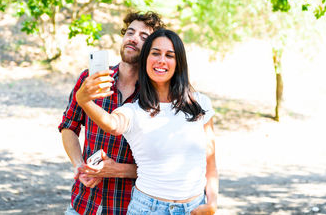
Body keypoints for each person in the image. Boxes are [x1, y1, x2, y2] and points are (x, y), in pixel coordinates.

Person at [76, 29, 219, 214]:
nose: (161, 60)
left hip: (196, 207)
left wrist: (212, 205)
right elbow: (111, 123)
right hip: (148, 209)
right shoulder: (134, 111)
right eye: (155, 53)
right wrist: (84, 100)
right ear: (145, 60)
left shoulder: (201, 104)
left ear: (179, 63)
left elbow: (210, 163)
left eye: (170, 55)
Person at [58, 11, 166, 215]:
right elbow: (68, 126)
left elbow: (163, 162)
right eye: (130, 33)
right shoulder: (91, 81)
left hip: (128, 207)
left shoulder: (157, 96)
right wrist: (79, 166)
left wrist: (119, 170)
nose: (134, 38)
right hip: (83, 204)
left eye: (144, 37)